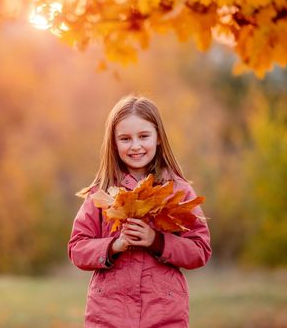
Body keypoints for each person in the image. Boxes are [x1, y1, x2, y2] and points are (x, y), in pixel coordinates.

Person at [68, 95, 211, 327]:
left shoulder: (177, 190)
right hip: (108, 315)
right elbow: (77, 248)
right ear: (114, 143)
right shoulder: (102, 193)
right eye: (125, 138)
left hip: (163, 314)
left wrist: (157, 241)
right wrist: (114, 245)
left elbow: (200, 250)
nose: (135, 146)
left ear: (158, 139)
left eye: (143, 136)